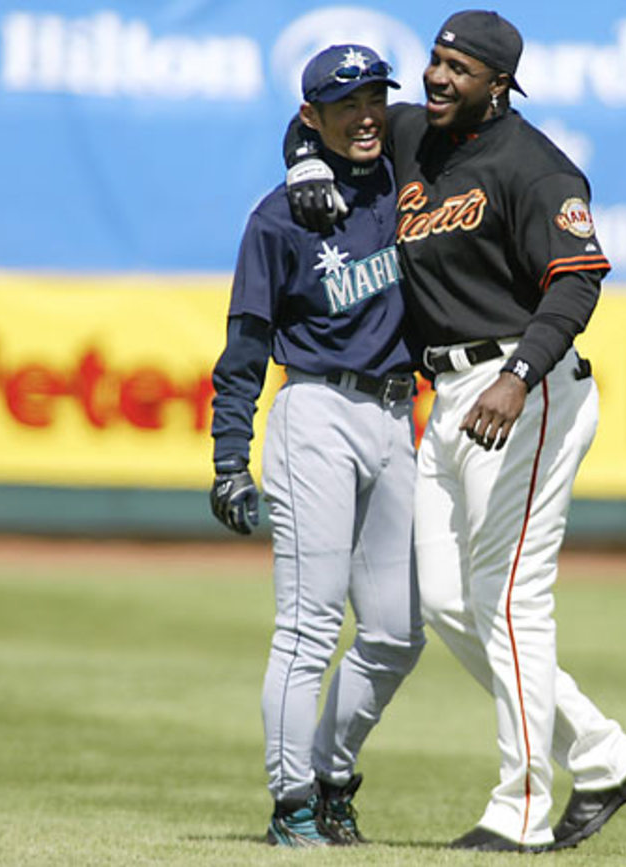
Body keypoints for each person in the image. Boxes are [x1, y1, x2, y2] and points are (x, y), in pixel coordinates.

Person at [285, 11, 626, 853]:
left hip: (526, 394)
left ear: (501, 84)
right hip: (450, 394)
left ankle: (520, 808)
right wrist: (305, 157)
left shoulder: (536, 168)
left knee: (510, 600)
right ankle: (604, 754)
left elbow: (574, 283)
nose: (438, 77)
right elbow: (327, 117)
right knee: (449, 602)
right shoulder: (417, 135)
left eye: (461, 68)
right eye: (436, 59)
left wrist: (518, 374)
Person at [208, 43, 425, 848]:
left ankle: (332, 774)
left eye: (374, 96)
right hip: (316, 412)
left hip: (398, 415)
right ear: (312, 115)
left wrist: (302, 152)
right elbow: (244, 347)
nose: (366, 114)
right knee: (308, 623)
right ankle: (291, 801)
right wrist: (230, 454)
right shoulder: (279, 216)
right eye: (346, 103)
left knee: (398, 632)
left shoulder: (407, 181)